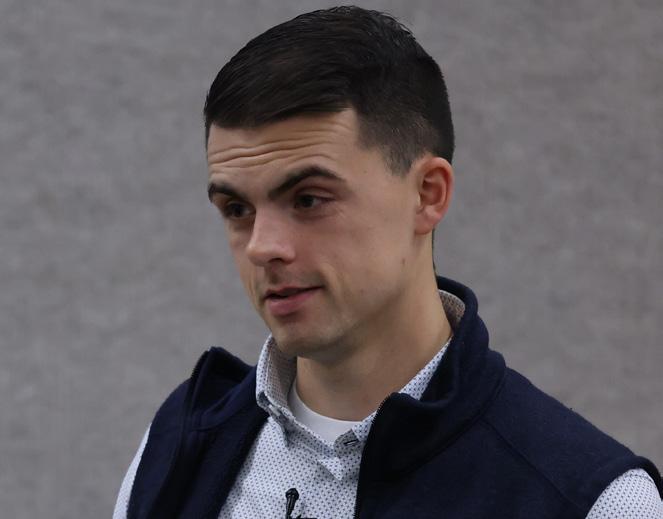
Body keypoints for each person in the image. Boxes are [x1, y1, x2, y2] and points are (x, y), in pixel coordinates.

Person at [113, 6, 662, 518]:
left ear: (427, 194)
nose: (262, 246)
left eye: (309, 199)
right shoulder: (179, 445)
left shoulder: (595, 502)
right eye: (237, 209)